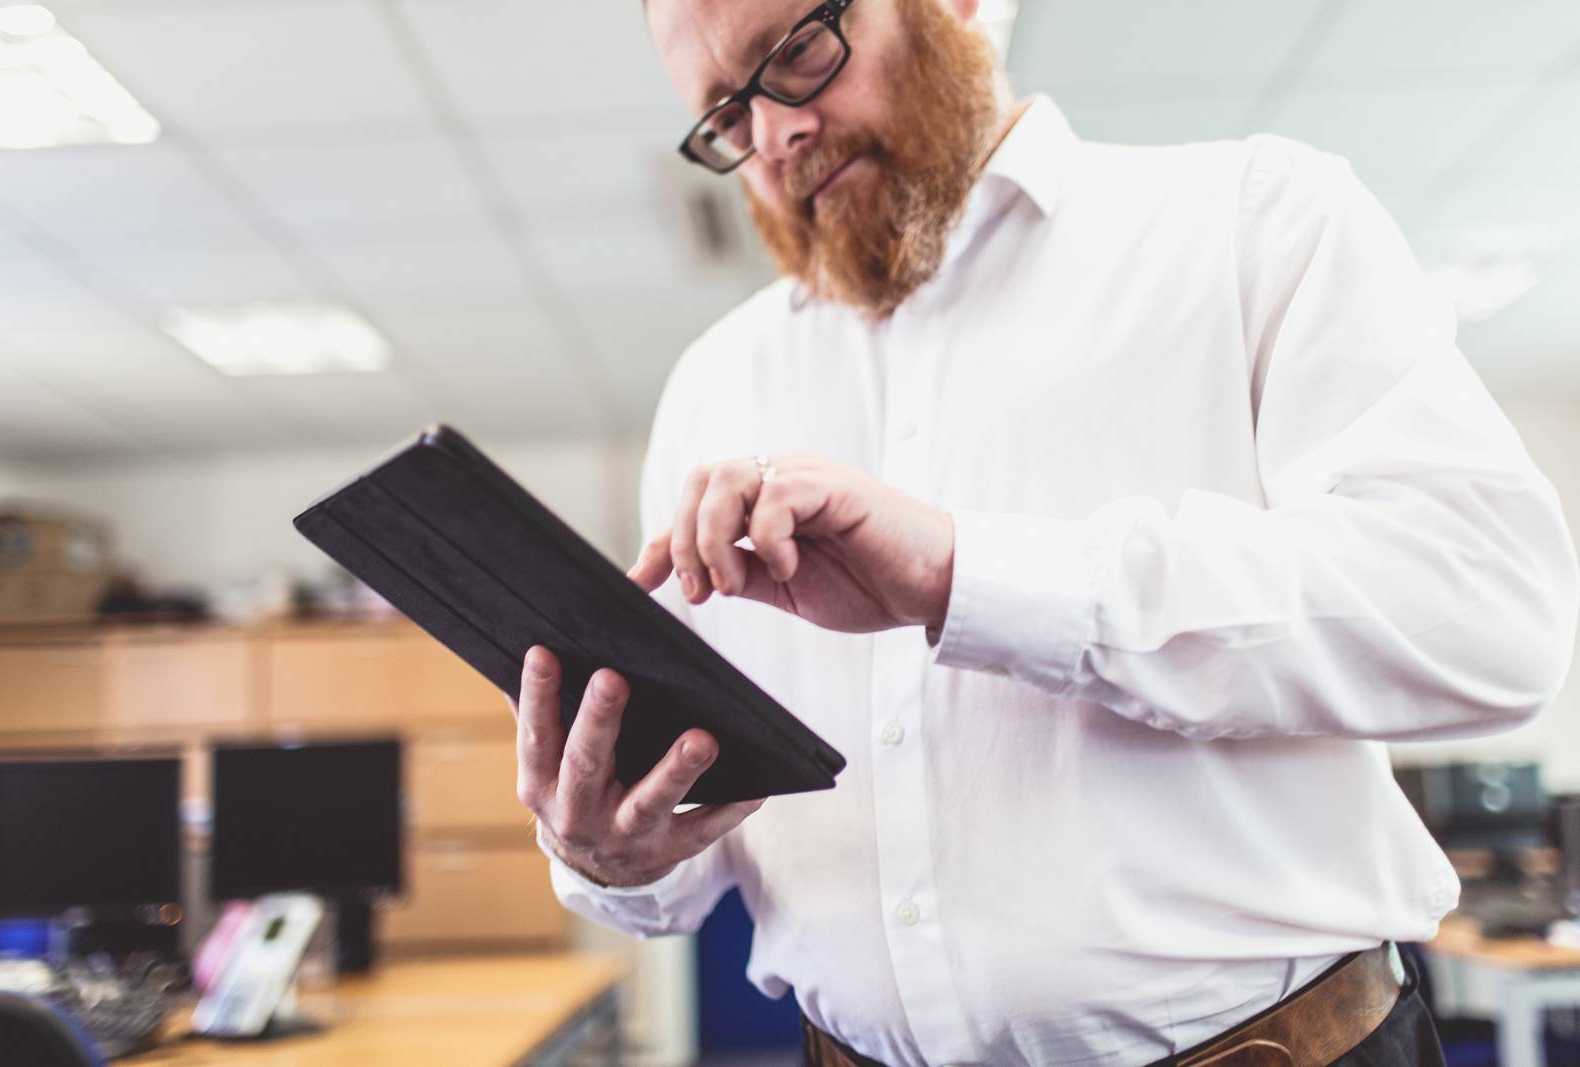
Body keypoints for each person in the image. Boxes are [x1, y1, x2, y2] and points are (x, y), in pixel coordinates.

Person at [508, 0, 1580, 1063]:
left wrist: (961, 577)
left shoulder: (1252, 220)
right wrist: (608, 846)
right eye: (727, 118)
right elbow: (684, 868)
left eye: (795, 52)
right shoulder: (714, 388)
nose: (776, 134)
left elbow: (1492, 611)